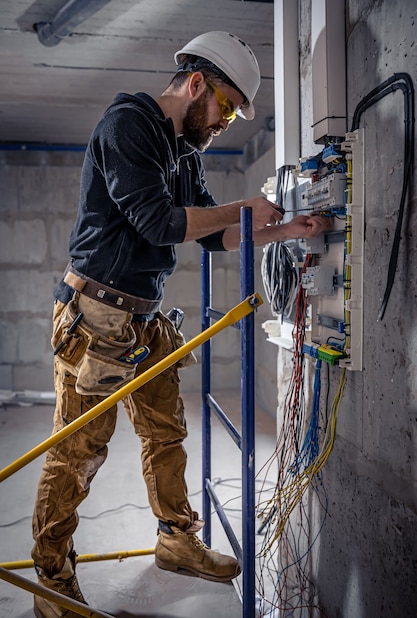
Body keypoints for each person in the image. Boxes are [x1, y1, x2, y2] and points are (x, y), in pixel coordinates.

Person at [31, 30, 331, 617]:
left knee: (166, 431)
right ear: (197, 84)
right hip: (95, 314)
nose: (224, 123)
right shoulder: (128, 126)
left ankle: (175, 539)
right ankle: (50, 581)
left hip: (141, 317)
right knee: (79, 451)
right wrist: (247, 206)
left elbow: (214, 234)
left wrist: (283, 231)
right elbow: (158, 223)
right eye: (225, 107)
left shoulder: (183, 153)